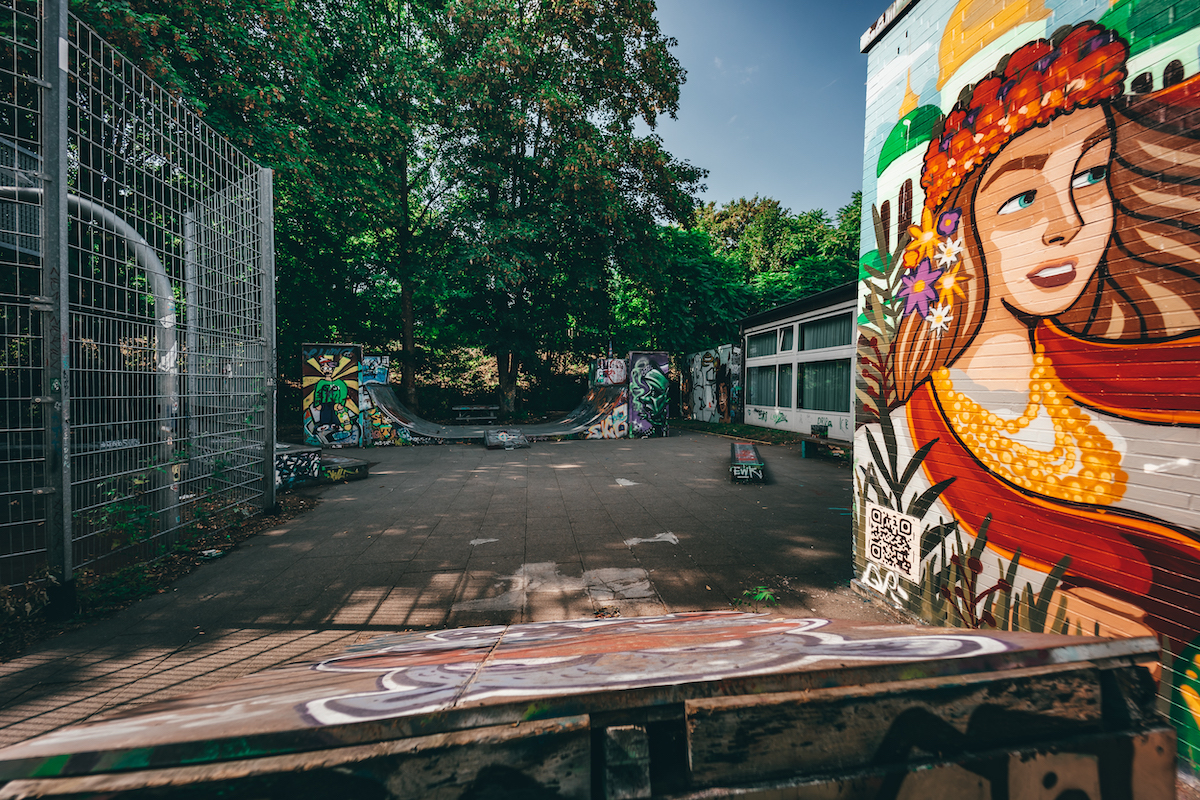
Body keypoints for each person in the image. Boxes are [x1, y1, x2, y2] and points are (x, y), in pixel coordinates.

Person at [863, 21, 1200, 643]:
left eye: (1089, 175)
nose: (1066, 223)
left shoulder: (1145, 368)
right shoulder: (916, 427)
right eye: (1021, 198)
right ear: (959, 232)